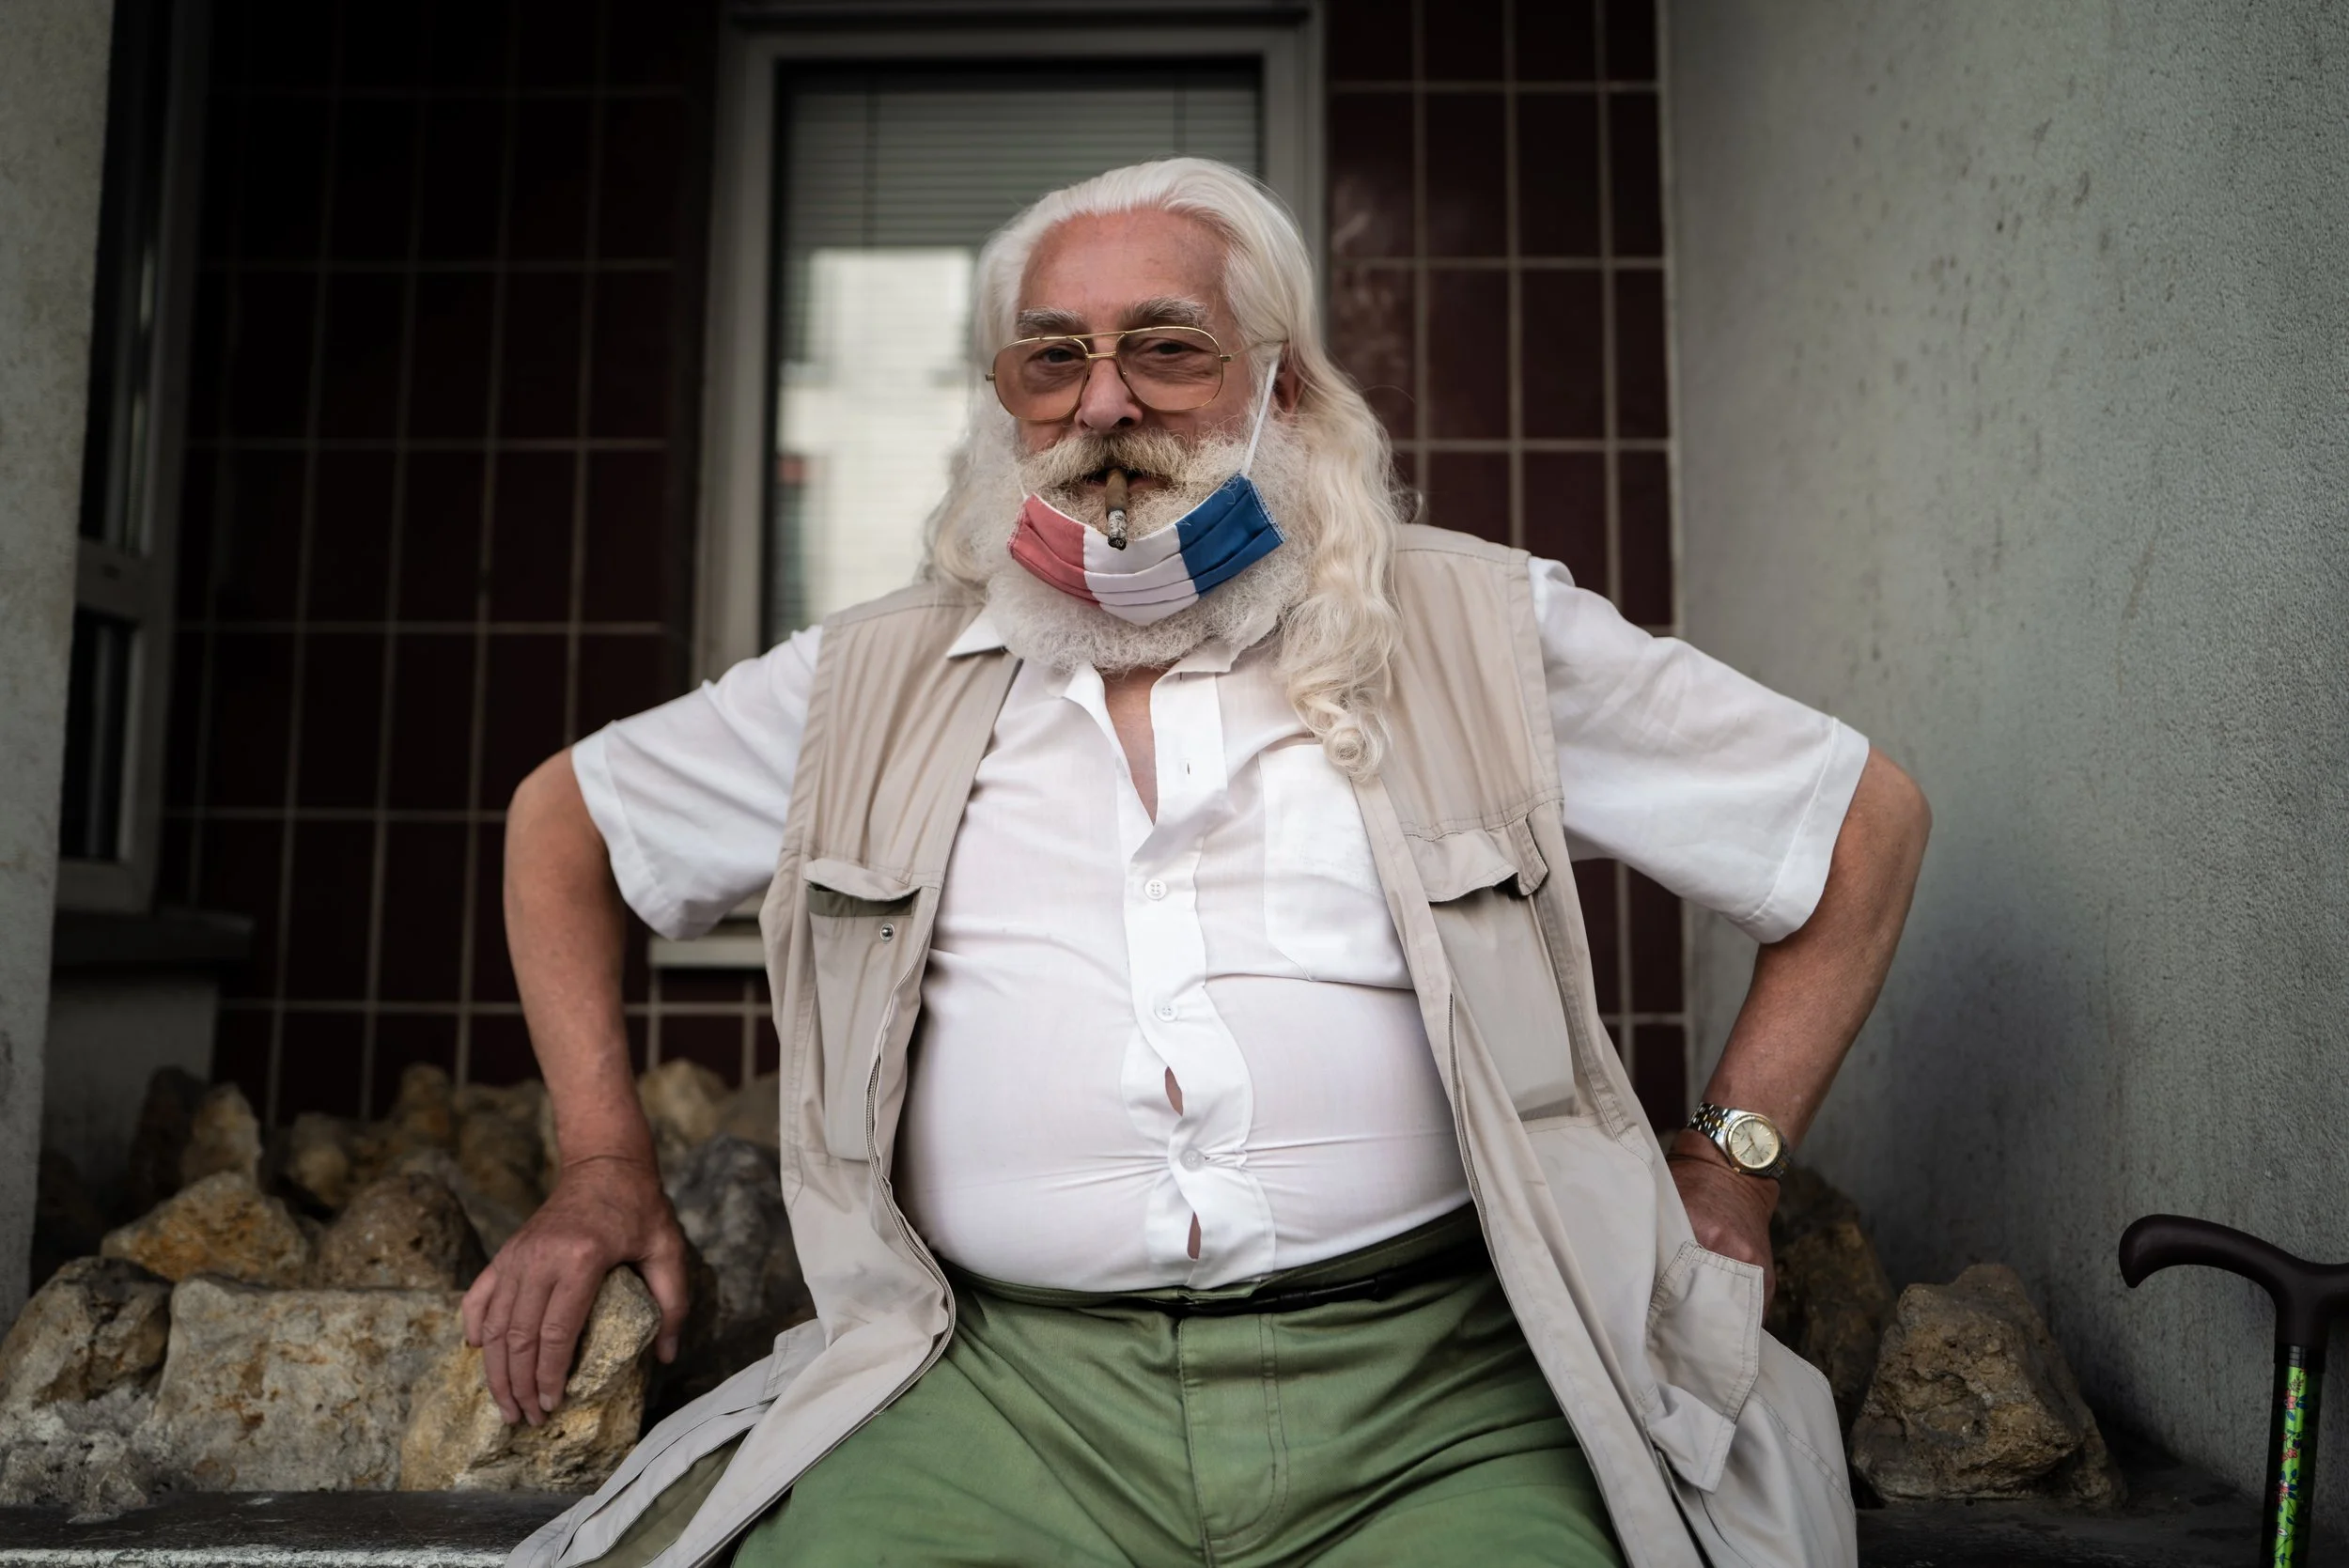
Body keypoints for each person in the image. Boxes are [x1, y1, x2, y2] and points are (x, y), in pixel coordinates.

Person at [482, 158, 1929, 1568]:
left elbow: (1859, 823)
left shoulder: (1476, 629)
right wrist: (604, 1166)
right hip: (999, 1394)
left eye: (1167, 350)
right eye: (1051, 360)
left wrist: (1731, 1163)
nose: (1103, 402)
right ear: (1005, 405)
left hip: (1442, 1400)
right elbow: (567, 826)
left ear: (1281, 385)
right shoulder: (873, 677)